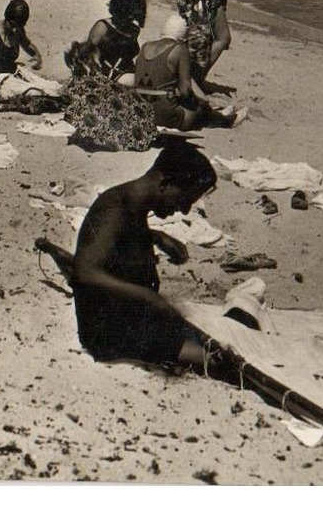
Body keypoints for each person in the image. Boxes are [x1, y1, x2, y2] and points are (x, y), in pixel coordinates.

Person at [69, 139, 235, 374]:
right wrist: (150, 298)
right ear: (164, 184)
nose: (185, 210)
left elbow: (120, 237)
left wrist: (156, 236)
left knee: (209, 338)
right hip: (107, 333)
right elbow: (85, 272)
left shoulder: (132, 202)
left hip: (129, 317)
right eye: (185, 200)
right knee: (215, 362)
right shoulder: (114, 209)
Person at [133, 14, 240, 130]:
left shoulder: (145, 46)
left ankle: (220, 114)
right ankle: (227, 121)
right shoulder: (179, 49)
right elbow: (186, 90)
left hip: (140, 109)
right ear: (184, 37)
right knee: (201, 112)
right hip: (164, 113)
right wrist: (199, 103)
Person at [66, 0, 146, 78]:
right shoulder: (102, 27)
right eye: (130, 14)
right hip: (103, 75)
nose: (132, 18)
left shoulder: (134, 30)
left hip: (126, 73)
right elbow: (85, 54)